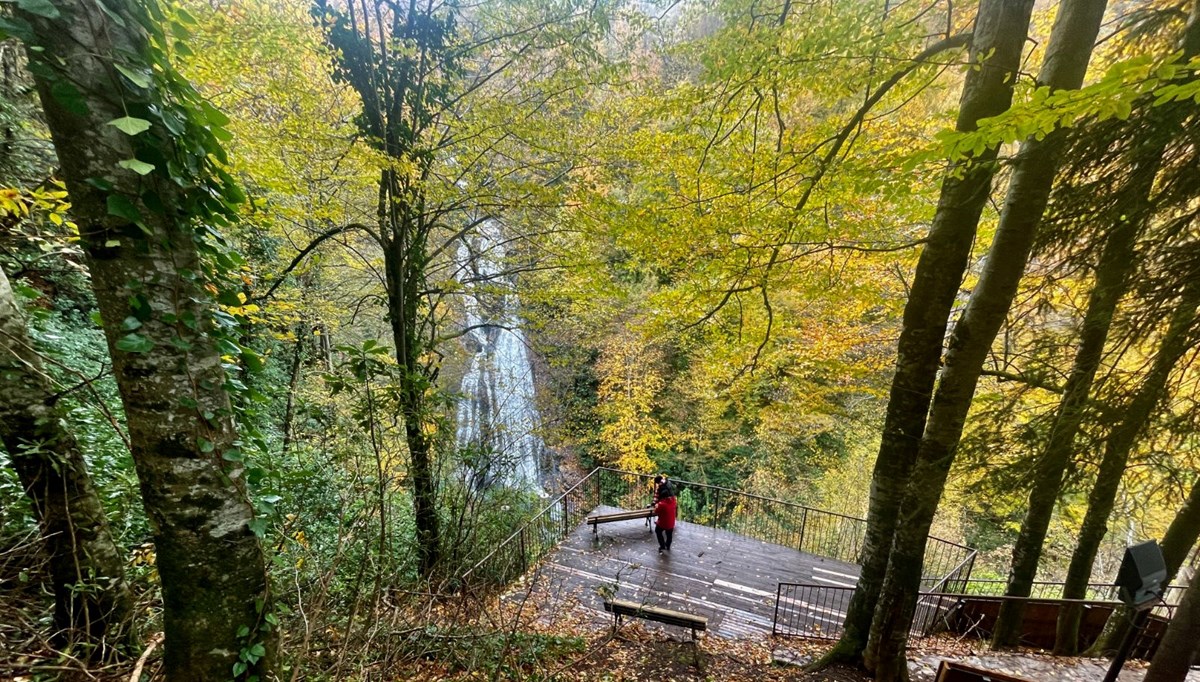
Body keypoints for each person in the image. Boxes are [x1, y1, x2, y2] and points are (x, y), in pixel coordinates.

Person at [654, 484, 677, 553]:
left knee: (658, 531)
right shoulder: (673, 500)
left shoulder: (662, 504)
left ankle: (662, 545)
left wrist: (656, 505)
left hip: (663, 523)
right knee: (669, 535)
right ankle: (668, 545)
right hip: (671, 523)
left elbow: (656, 511)